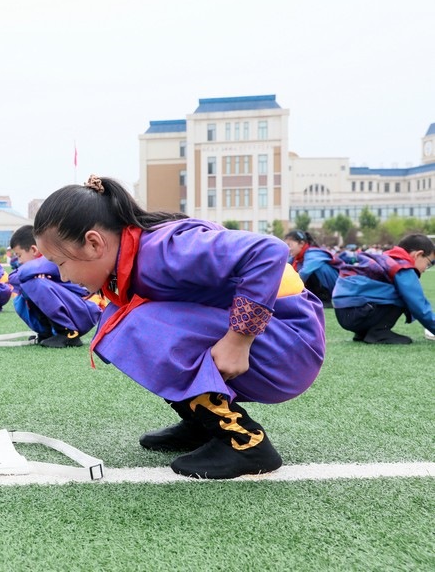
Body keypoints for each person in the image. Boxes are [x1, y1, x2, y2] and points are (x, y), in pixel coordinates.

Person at [33, 175, 325, 479]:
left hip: (291, 347)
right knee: (117, 319)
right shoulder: (138, 254)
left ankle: (244, 442)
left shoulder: (163, 249)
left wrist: (239, 340)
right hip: (278, 339)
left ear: (94, 243)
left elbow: (268, 251)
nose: (63, 277)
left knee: (133, 325)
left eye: (61, 263)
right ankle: (205, 424)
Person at [332, 233, 435, 344]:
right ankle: (378, 333)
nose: (425, 269)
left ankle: (363, 333)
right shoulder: (402, 266)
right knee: (405, 294)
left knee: (388, 290)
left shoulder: (386, 259)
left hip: (345, 313)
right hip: (358, 313)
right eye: (429, 263)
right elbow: (418, 304)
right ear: (418, 254)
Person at [9, 225, 101, 348]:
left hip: (84, 310)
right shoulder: (37, 267)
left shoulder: (53, 259)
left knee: (34, 284)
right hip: (76, 308)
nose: (19, 261)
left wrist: (30, 274)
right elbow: (14, 278)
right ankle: (48, 332)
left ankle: (68, 333)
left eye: (19, 255)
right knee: (24, 291)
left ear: (34, 250)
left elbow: (21, 274)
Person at [283, 230, 341, 307]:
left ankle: (324, 299)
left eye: (290, 245)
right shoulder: (296, 257)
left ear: (301, 244)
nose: (288, 249)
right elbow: (284, 269)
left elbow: (304, 273)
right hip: (321, 286)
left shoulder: (313, 253)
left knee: (312, 271)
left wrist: (288, 290)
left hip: (332, 288)